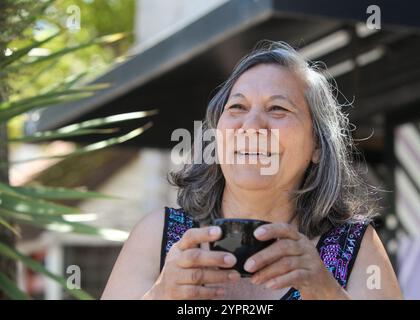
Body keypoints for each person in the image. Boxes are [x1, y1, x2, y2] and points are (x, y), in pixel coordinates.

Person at [101, 41, 402, 300]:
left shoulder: (355, 246)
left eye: (278, 109)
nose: (252, 126)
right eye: (237, 108)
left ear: (317, 147)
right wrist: (161, 294)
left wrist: (327, 293)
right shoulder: (159, 236)